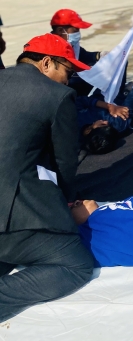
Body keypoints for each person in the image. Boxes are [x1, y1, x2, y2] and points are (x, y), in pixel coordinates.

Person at [0, 34, 94, 321]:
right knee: (76, 265)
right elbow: (64, 163)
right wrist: (67, 203)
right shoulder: (56, 96)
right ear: (46, 63)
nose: (69, 81)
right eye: (68, 72)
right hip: (8, 214)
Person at [77, 55, 133, 154]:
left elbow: (81, 100)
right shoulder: (118, 125)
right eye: (108, 125)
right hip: (120, 93)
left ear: (88, 130)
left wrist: (109, 107)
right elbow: (132, 100)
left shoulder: (75, 121)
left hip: (102, 90)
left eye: (102, 125)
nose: (106, 122)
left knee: (119, 59)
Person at [50, 8, 111, 96]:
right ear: (60, 30)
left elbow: (82, 55)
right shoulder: (52, 47)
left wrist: (99, 55)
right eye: (75, 30)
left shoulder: (70, 43)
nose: (78, 34)